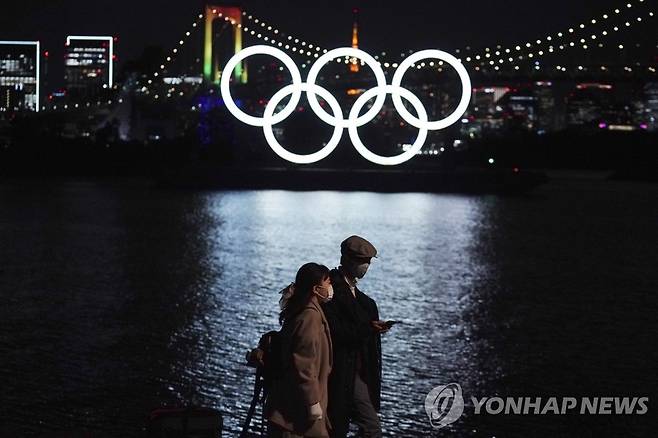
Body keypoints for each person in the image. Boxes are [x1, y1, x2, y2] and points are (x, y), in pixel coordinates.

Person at [321, 236, 388, 438]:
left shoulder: (360, 298)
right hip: (340, 371)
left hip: (355, 371)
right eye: (363, 261)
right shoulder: (330, 290)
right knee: (370, 427)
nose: (366, 266)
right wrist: (369, 329)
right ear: (348, 260)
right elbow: (337, 331)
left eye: (368, 262)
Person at [266, 263, 334, 438]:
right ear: (316, 288)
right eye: (327, 282)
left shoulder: (302, 310)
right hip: (296, 415)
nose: (330, 287)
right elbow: (303, 363)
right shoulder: (310, 316)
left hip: (293, 411)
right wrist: (312, 402)